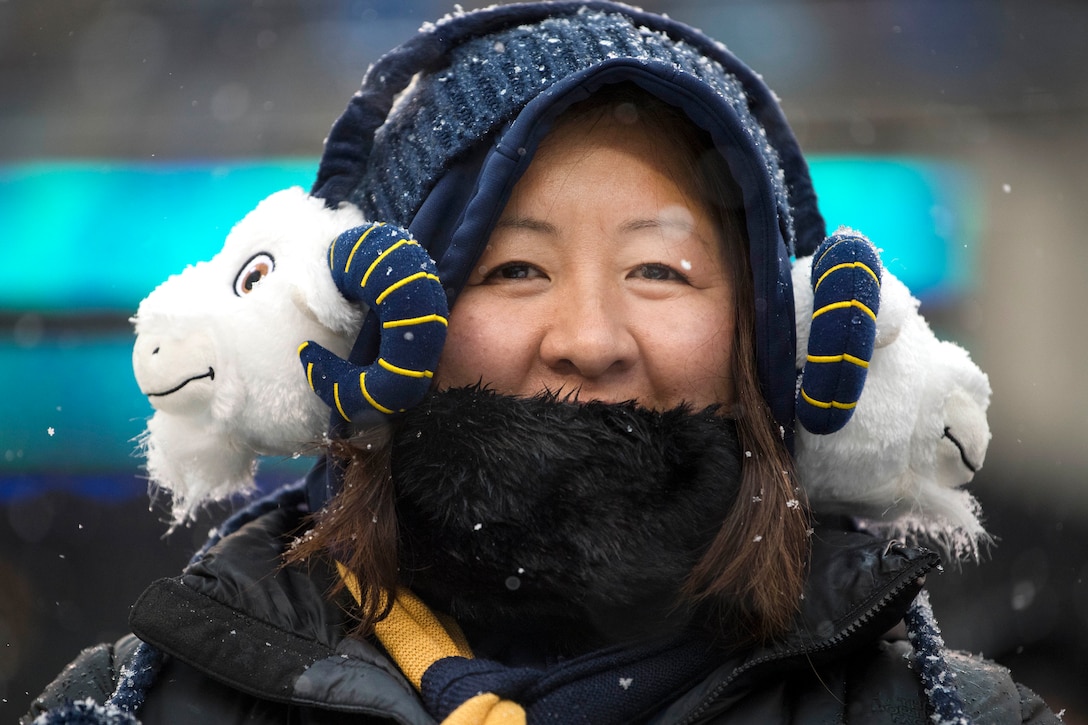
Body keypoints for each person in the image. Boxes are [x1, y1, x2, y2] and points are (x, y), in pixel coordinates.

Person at [25, 2, 1058, 723]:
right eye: (514, 268)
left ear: (775, 339)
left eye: (658, 270)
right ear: (364, 322)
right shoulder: (139, 704)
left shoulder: (942, 713)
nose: (591, 335)